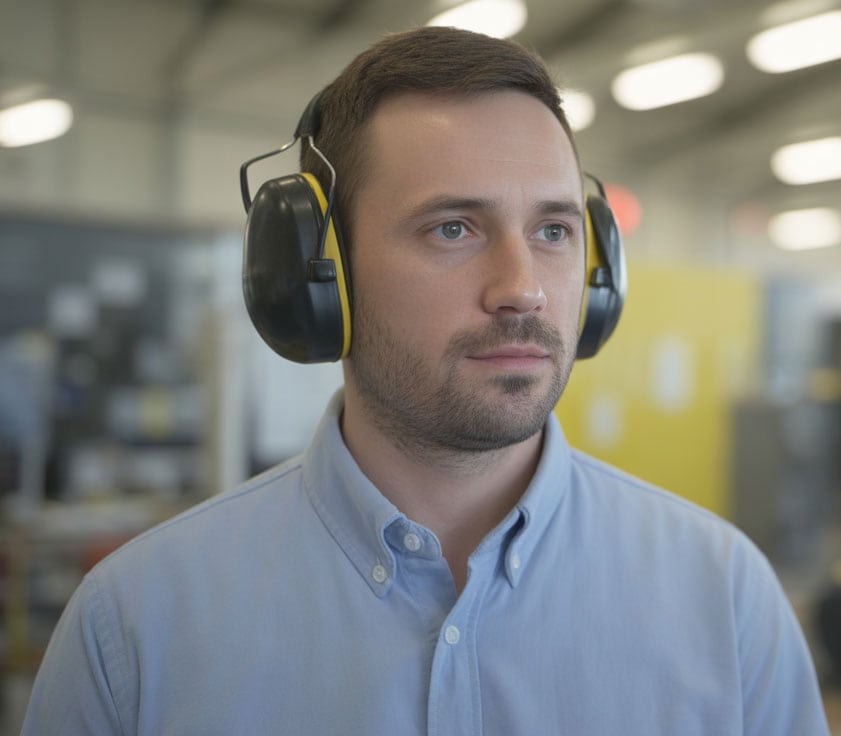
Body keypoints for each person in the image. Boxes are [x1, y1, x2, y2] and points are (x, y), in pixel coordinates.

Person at [22, 26, 829, 735]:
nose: (525, 286)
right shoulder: (138, 624)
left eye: (553, 229)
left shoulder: (723, 598)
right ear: (317, 274)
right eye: (452, 228)